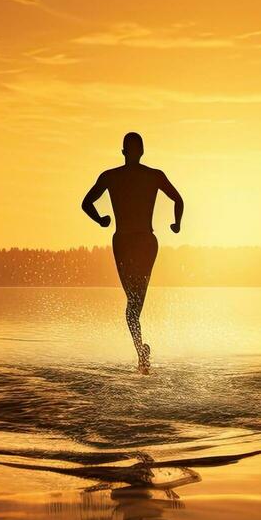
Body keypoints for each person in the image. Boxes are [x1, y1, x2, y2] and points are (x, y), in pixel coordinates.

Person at [80, 132, 183, 372]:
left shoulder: (112, 177)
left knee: (132, 304)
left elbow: (86, 204)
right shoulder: (152, 176)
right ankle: (141, 352)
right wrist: (177, 224)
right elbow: (178, 200)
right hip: (142, 241)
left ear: (124, 151)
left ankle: (141, 351)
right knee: (134, 304)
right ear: (140, 152)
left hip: (128, 241)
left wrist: (101, 220)